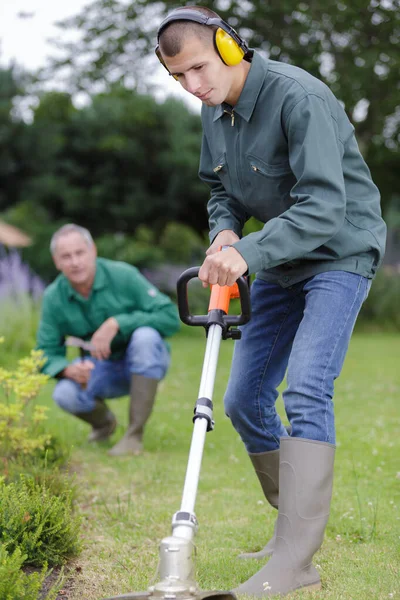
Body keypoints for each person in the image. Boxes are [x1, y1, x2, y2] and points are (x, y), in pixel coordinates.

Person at [156, 6, 386, 598]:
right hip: (276, 258)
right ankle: (293, 534)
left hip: (339, 253)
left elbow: (323, 206)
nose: (194, 86)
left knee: (307, 388)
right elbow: (219, 187)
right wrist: (225, 232)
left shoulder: (297, 97)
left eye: (200, 68)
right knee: (244, 400)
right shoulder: (216, 114)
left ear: (231, 48)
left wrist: (248, 251)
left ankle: (297, 562)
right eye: (179, 78)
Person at [36, 224, 180, 456]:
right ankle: (104, 424)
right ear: (57, 262)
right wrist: (67, 370)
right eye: (66, 256)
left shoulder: (123, 275)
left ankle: (134, 436)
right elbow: (45, 352)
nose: (75, 262)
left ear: (93, 250)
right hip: (102, 369)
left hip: (147, 361)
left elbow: (170, 317)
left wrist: (117, 323)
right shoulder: (53, 297)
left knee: (145, 337)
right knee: (63, 393)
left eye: (80, 253)